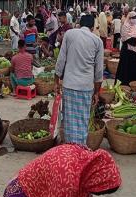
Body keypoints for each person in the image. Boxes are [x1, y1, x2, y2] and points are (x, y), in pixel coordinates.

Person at [55, 15, 103, 145]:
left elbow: (61, 60)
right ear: (92, 27)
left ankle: (69, 150)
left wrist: (56, 82)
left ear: (79, 24)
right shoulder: (97, 41)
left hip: (69, 85)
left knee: (69, 121)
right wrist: (97, 92)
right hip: (86, 87)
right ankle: (79, 150)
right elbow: (98, 72)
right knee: (82, 122)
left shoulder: (70, 34)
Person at [116, 11, 136, 86]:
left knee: (134, 66)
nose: (133, 19)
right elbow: (125, 38)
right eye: (132, 18)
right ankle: (124, 84)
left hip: (134, 50)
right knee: (125, 66)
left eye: (135, 18)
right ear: (129, 18)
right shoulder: (125, 26)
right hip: (127, 50)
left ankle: (135, 83)